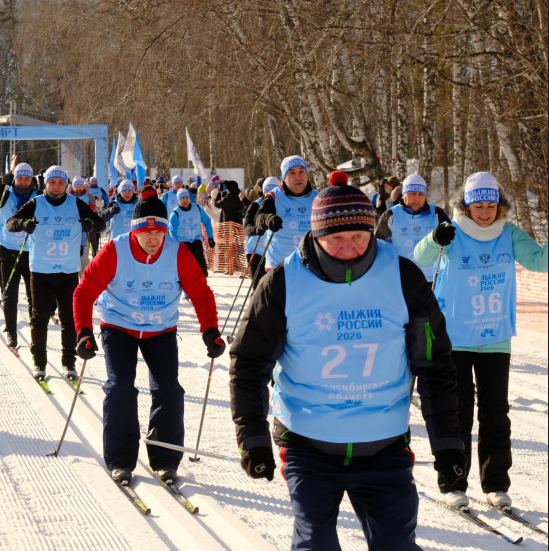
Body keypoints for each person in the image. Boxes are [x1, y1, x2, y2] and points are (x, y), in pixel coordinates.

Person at [230, 171, 464, 550]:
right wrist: (252, 438)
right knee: (316, 542)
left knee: (396, 544)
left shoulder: (403, 277)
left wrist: (448, 443)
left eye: (358, 236)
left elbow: (435, 364)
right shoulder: (283, 282)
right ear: (316, 235)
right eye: (335, 239)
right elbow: (248, 362)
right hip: (308, 444)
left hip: (384, 445)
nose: (349, 248)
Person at [72, 187, 225, 484]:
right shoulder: (115, 250)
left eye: (159, 233)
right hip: (119, 326)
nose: (153, 240)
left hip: (160, 329)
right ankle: (120, 459)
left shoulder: (177, 251)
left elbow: (201, 293)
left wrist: (210, 330)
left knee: (169, 390)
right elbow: (84, 291)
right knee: (120, 388)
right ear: (135, 230)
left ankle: (165, 458)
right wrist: (84, 332)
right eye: (146, 233)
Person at [414, 171, 548, 509]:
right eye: (479, 206)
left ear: (499, 206)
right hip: (455, 339)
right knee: (458, 413)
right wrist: (434, 238)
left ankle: (496, 484)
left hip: (495, 338)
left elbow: (539, 262)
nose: (485, 212)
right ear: (467, 206)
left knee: (496, 414)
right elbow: (421, 257)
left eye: (491, 206)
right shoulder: (452, 231)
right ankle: (454, 483)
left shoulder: (509, 233)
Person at [6, 165, 106, 379]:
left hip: (68, 271)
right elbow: (9, 224)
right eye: (52, 182)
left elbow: (100, 224)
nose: (56, 186)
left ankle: (68, 363)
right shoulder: (36, 202)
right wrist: (24, 223)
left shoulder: (75, 203)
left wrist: (90, 224)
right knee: (39, 318)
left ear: (66, 185)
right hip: (41, 271)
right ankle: (39, 363)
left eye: (61, 183)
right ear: (46, 184)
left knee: (68, 319)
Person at [0, 163, 38, 349]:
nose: (24, 182)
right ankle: (11, 331)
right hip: (8, 249)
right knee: (10, 295)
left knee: (33, 296)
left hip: (32, 250)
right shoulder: (6, 193)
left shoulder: (37, 195)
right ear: (15, 179)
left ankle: (36, 332)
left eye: (27, 178)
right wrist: (1, 184)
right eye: (20, 178)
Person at [375, 174, 449, 282]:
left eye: (421, 194)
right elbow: (378, 247)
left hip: (432, 280)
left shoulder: (437, 214)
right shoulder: (391, 215)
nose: (417, 198)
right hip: (403, 280)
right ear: (404, 194)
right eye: (412, 194)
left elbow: (452, 243)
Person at [255, 155, 317, 271]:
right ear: (284, 177)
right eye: (292, 173)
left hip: (310, 265)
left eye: (301, 171)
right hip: (279, 266)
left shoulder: (317, 197)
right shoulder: (274, 196)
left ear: (307, 174)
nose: (298, 177)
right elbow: (259, 217)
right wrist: (269, 219)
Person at [168, 187, 215, 277]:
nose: (185, 200)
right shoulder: (175, 214)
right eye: (182, 198)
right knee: (185, 269)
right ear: (178, 200)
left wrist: (210, 237)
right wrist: (176, 245)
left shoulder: (197, 208)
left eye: (187, 198)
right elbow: (172, 231)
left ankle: (202, 283)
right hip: (182, 243)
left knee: (201, 268)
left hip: (196, 240)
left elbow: (207, 222)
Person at [242, 177, 280, 287]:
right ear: (263, 191)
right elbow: (247, 228)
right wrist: (256, 230)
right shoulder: (256, 205)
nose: (270, 194)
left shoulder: (282, 204)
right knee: (259, 287)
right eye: (268, 191)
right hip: (256, 251)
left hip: (274, 253)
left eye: (274, 191)